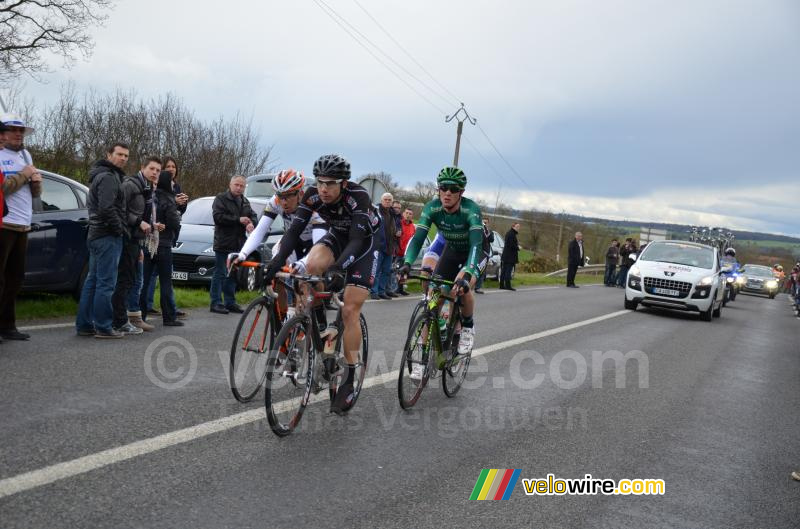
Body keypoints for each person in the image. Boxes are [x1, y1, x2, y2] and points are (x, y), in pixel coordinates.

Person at [262, 154, 381, 415]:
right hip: (338, 236)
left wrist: (339, 267)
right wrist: (276, 262)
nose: (324, 189)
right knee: (309, 269)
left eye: (330, 183)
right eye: (320, 182)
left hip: (365, 243)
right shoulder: (312, 195)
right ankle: (319, 327)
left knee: (349, 309)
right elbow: (293, 233)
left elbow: (358, 239)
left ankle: (350, 377)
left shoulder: (358, 196)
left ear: (343, 184)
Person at [400, 166, 484, 379]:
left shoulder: (470, 210)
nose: (447, 193)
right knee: (433, 299)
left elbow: (475, 244)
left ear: (461, 192)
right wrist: (407, 263)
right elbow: (419, 239)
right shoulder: (432, 208)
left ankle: (467, 327)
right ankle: (423, 356)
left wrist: (468, 274)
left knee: (462, 288)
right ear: (438, 189)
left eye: (453, 189)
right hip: (452, 251)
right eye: (443, 188)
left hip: (475, 252)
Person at [231, 169, 327, 316]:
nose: (283, 202)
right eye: (280, 196)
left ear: (299, 192)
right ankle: (283, 318)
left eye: (288, 196)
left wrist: (304, 264)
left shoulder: (313, 206)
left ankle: (310, 314)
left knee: (306, 279)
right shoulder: (275, 202)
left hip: (313, 244)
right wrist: (243, 254)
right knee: (277, 271)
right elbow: (260, 230)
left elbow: (319, 244)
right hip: (292, 242)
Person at [75, 143, 129, 338]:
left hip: (96, 235)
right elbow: (107, 208)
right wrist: (119, 230)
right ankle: (104, 326)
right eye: (119, 154)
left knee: (93, 281)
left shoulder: (102, 174)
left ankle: (84, 325)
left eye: (126, 156)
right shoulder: (108, 177)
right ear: (109, 155)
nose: (123, 158)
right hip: (106, 236)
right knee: (106, 283)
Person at [0, 114, 42, 341]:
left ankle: (7, 325)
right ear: (3, 133)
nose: (18, 134)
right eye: (13, 130)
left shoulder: (26, 155)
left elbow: (33, 193)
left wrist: (36, 182)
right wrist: (23, 174)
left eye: (21, 131)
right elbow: (2, 189)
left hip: (23, 224)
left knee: (15, 278)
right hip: (4, 223)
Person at [111, 157, 162, 335]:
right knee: (124, 280)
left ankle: (122, 318)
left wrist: (150, 227)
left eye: (158, 170)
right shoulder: (131, 185)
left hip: (135, 240)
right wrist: (139, 222)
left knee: (130, 280)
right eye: (152, 168)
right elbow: (120, 210)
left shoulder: (147, 189)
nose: (155, 172)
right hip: (125, 238)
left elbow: (142, 214)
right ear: (143, 168)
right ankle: (119, 321)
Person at [145, 156, 188, 318]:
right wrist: (175, 207)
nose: (171, 169)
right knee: (164, 279)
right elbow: (173, 220)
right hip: (161, 242)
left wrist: (181, 206)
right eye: (168, 166)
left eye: (173, 166)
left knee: (149, 277)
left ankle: (144, 311)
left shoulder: (159, 193)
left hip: (156, 241)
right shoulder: (164, 196)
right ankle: (169, 314)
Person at [140, 170, 183, 326]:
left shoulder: (150, 197)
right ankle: (169, 317)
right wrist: (177, 215)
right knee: (165, 282)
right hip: (163, 245)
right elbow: (174, 222)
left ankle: (140, 316)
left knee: (143, 281)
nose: (174, 185)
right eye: (172, 182)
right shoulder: (169, 199)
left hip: (147, 243)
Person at [209, 175, 256, 314]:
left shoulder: (245, 201)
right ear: (230, 184)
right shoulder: (221, 198)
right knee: (220, 273)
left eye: (242, 186)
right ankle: (215, 302)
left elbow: (253, 215)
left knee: (233, 274)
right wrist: (238, 220)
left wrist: (251, 223)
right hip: (223, 243)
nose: (239, 188)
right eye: (236, 185)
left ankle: (230, 302)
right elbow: (218, 217)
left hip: (238, 244)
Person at [371, 192, 399, 300]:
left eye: (389, 200)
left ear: (392, 202)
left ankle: (382, 291)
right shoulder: (376, 212)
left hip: (390, 247)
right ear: (381, 201)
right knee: (376, 271)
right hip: (378, 246)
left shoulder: (393, 214)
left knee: (386, 271)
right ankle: (374, 291)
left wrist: (398, 231)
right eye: (385, 199)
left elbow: (396, 227)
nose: (387, 201)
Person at [396, 207, 416, 296]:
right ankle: (394, 288)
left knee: (405, 273)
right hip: (398, 252)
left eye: (410, 214)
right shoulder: (399, 223)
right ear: (404, 214)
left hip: (407, 254)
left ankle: (401, 289)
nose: (408, 215)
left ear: (412, 216)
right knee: (397, 271)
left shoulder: (413, 226)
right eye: (407, 213)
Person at [474, 218, 494, 293]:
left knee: (482, 270)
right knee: (474, 268)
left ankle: (478, 287)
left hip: (485, 253)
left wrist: (487, 231)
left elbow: (491, 239)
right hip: (477, 251)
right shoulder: (478, 229)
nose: (484, 223)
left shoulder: (489, 231)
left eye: (486, 222)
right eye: (483, 222)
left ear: (488, 223)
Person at [500, 222, 520, 291]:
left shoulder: (509, 233)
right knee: (508, 271)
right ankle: (508, 286)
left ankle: (502, 285)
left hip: (506, 255)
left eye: (519, 227)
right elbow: (512, 245)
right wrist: (518, 248)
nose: (518, 228)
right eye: (517, 227)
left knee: (504, 271)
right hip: (510, 256)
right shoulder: (512, 234)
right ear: (513, 227)